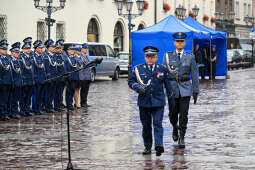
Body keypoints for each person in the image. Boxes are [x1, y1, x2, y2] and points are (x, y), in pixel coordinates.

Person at [128, 46, 173, 156]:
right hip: (144, 102)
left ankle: (159, 146)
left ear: (156, 57)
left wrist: (171, 100)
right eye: (148, 56)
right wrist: (136, 86)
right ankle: (147, 147)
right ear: (145, 57)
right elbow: (130, 81)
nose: (150, 59)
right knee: (146, 126)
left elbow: (168, 86)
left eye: (152, 56)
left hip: (158, 102)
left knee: (158, 124)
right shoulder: (138, 69)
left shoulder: (162, 69)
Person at [163, 32, 199, 148]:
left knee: (184, 114)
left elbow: (194, 74)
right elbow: (164, 74)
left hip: (185, 89)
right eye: (177, 41)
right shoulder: (168, 56)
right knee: (173, 114)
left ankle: (182, 137)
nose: (179, 43)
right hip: (172, 89)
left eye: (182, 41)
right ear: (174, 43)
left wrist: (195, 90)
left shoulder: (190, 56)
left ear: (184, 42)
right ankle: (174, 127)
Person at [19, 39, 35, 116]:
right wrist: (23, 79)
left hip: (31, 80)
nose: (28, 50)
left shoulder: (31, 57)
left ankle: (27, 110)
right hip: (25, 80)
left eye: (29, 48)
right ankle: (22, 110)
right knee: (23, 96)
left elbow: (33, 69)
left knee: (29, 96)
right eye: (26, 49)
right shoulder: (21, 57)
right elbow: (21, 70)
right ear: (23, 49)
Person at [32, 40, 47, 115]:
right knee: (36, 95)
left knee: (40, 95)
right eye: (40, 48)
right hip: (37, 80)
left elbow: (44, 68)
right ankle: (35, 109)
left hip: (42, 79)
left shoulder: (42, 56)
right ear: (36, 49)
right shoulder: (33, 57)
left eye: (42, 48)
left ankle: (39, 108)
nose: (41, 49)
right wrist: (35, 79)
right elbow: (33, 70)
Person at [9, 42, 23, 119]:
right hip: (14, 83)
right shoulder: (10, 60)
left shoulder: (18, 60)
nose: (17, 54)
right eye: (16, 52)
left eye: (18, 52)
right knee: (12, 99)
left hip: (19, 82)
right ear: (12, 53)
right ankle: (12, 113)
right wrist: (13, 82)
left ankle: (15, 112)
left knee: (16, 99)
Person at [43, 39, 57, 113]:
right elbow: (46, 68)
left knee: (52, 93)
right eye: (52, 47)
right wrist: (48, 77)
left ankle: (50, 105)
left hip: (54, 77)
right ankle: (47, 107)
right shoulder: (45, 55)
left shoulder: (53, 55)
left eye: (54, 47)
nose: (54, 48)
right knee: (47, 93)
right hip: (49, 78)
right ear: (48, 48)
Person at [0, 39, 13, 121]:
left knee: (7, 99)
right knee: (2, 100)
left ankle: (6, 113)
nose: (5, 50)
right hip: (2, 83)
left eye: (6, 49)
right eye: (3, 49)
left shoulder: (8, 57)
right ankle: (2, 114)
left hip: (9, 82)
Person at [65, 45, 79, 110]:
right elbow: (66, 68)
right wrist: (67, 77)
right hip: (69, 77)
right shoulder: (67, 58)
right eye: (70, 50)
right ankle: (69, 104)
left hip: (74, 77)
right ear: (68, 51)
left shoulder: (75, 58)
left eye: (73, 50)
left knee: (73, 90)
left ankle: (71, 103)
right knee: (69, 91)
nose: (72, 51)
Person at [54, 41, 66, 112]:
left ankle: (59, 104)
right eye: (58, 48)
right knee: (57, 93)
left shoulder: (61, 55)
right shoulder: (54, 56)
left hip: (62, 78)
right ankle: (56, 106)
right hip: (57, 78)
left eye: (60, 48)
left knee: (60, 93)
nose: (60, 49)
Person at [80, 43, 92, 108]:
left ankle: (85, 102)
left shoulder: (87, 55)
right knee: (83, 90)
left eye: (87, 48)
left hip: (88, 76)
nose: (86, 50)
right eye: (85, 48)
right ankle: (82, 102)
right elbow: (85, 64)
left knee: (86, 90)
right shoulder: (81, 55)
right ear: (82, 49)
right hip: (83, 76)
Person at [73, 45, 83, 109]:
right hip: (75, 75)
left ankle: (77, 102)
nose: (80, 52)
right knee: (75, 89)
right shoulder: (74, 57)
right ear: (76, 51)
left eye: (80, 50)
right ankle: (76, 103)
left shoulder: (81, 57)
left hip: (80, 75)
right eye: (78, 50)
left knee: (78, 89)